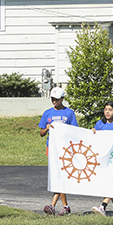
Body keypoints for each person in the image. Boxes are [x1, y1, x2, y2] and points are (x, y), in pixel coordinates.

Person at [39, 87, 79, 216]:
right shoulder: (47, 113)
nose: (54, 102)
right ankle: (63, 206)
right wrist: (47, 128)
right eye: (52, 99)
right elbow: (41, 133)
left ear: (62, 99)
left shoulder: (69, 113)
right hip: (52, 147)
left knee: (60, 176)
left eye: (57, 99)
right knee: (57, 176)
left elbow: (75, 131)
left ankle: (56, 205)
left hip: (65, 149)